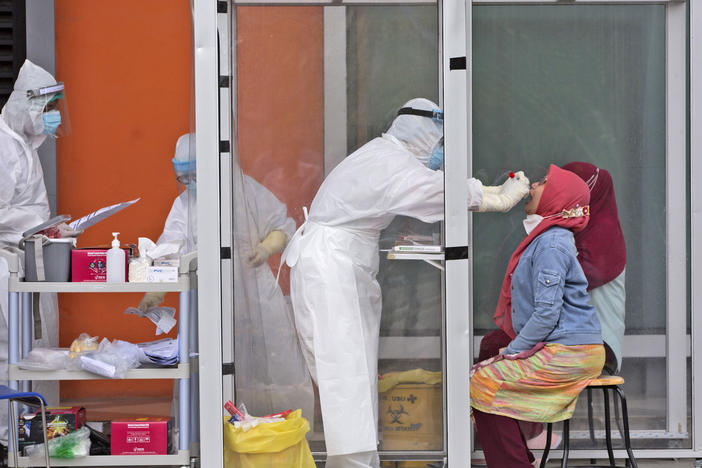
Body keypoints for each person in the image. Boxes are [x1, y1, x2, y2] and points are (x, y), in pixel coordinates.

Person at [283, 98, 530, 468]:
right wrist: (492, 198)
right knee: (345, 375)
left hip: (336, 266)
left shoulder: (387, 156)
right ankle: (354, 464)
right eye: (441, 142)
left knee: (352, 374)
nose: (441, 153)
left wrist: (486, 191)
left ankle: (358, 460)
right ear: (423, 134)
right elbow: (432, 191)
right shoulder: (388, 163)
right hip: (330, 270)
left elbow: (428, 185)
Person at [137, 133, 313, 418]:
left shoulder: (247, 193)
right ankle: (212, 439)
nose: (190, 184)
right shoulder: (184, 206)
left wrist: (266, 248)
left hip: (255, 295)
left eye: (195, 175)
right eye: (184, 178)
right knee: (206, 373)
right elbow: (168, 255)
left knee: (274, 370)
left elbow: (283, 227)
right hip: (206, 301)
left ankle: (278, 433)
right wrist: (154, 294)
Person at [470, 164, 605, 467]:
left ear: (558, 197)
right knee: (488, 357)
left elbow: (546, 313)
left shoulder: (551, 244)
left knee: (481, 384)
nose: (531, 187)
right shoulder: (548, 238)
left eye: (544, 183)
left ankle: (515, 463)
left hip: (570, 352)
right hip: (567, 346)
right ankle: (518, 458)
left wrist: (513, 352)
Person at [0, 60, 76, 444]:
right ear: (27, 106)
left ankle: (32, 431)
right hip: (5, 265)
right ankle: (6, 437)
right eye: (45, 110)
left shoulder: (23, 147)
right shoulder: (2, 147)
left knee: (33, 350)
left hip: (25, 258)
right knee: (6, 354)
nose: (51, 118)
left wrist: (49, 226)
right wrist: (37, 223)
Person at [562, 162, 626, 374]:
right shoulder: (586, 227)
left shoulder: (602, 231)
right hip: (583, 340)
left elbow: (576, 278)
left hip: (599, 345)